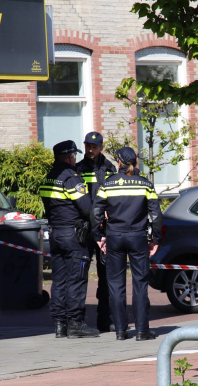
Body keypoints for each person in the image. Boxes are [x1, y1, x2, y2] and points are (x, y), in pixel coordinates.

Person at [92, 147, 162, 341]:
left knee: (115, 285)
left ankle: (121, 331)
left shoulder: (108, 184)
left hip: (114, 237)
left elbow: (96, 212)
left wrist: (98, 236)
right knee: (140, 284)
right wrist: (155, 239)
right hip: (138, 237)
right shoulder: (145, 184)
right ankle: (141, 331)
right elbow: (156, 215)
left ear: (119, 162)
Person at [38, 140, 100, 339]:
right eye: (74, 156)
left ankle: (59, 324)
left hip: (56, 234)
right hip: (74, 236)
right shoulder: (72, 178)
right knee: (77, 279)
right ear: (70, 157)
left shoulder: (49, 177)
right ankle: (75, 323)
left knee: (59, 280)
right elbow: (86, 207)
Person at [76, 131, 117, 333]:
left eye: (93, 146)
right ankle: (77, 321)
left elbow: (114, 195)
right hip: (85, 229)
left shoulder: (110, 168)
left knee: (105, 276)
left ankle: (104, 319)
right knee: (80, 275)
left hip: (103, 229)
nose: (90, 150)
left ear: (101, 147)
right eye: (87, 146)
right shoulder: (78, 169)